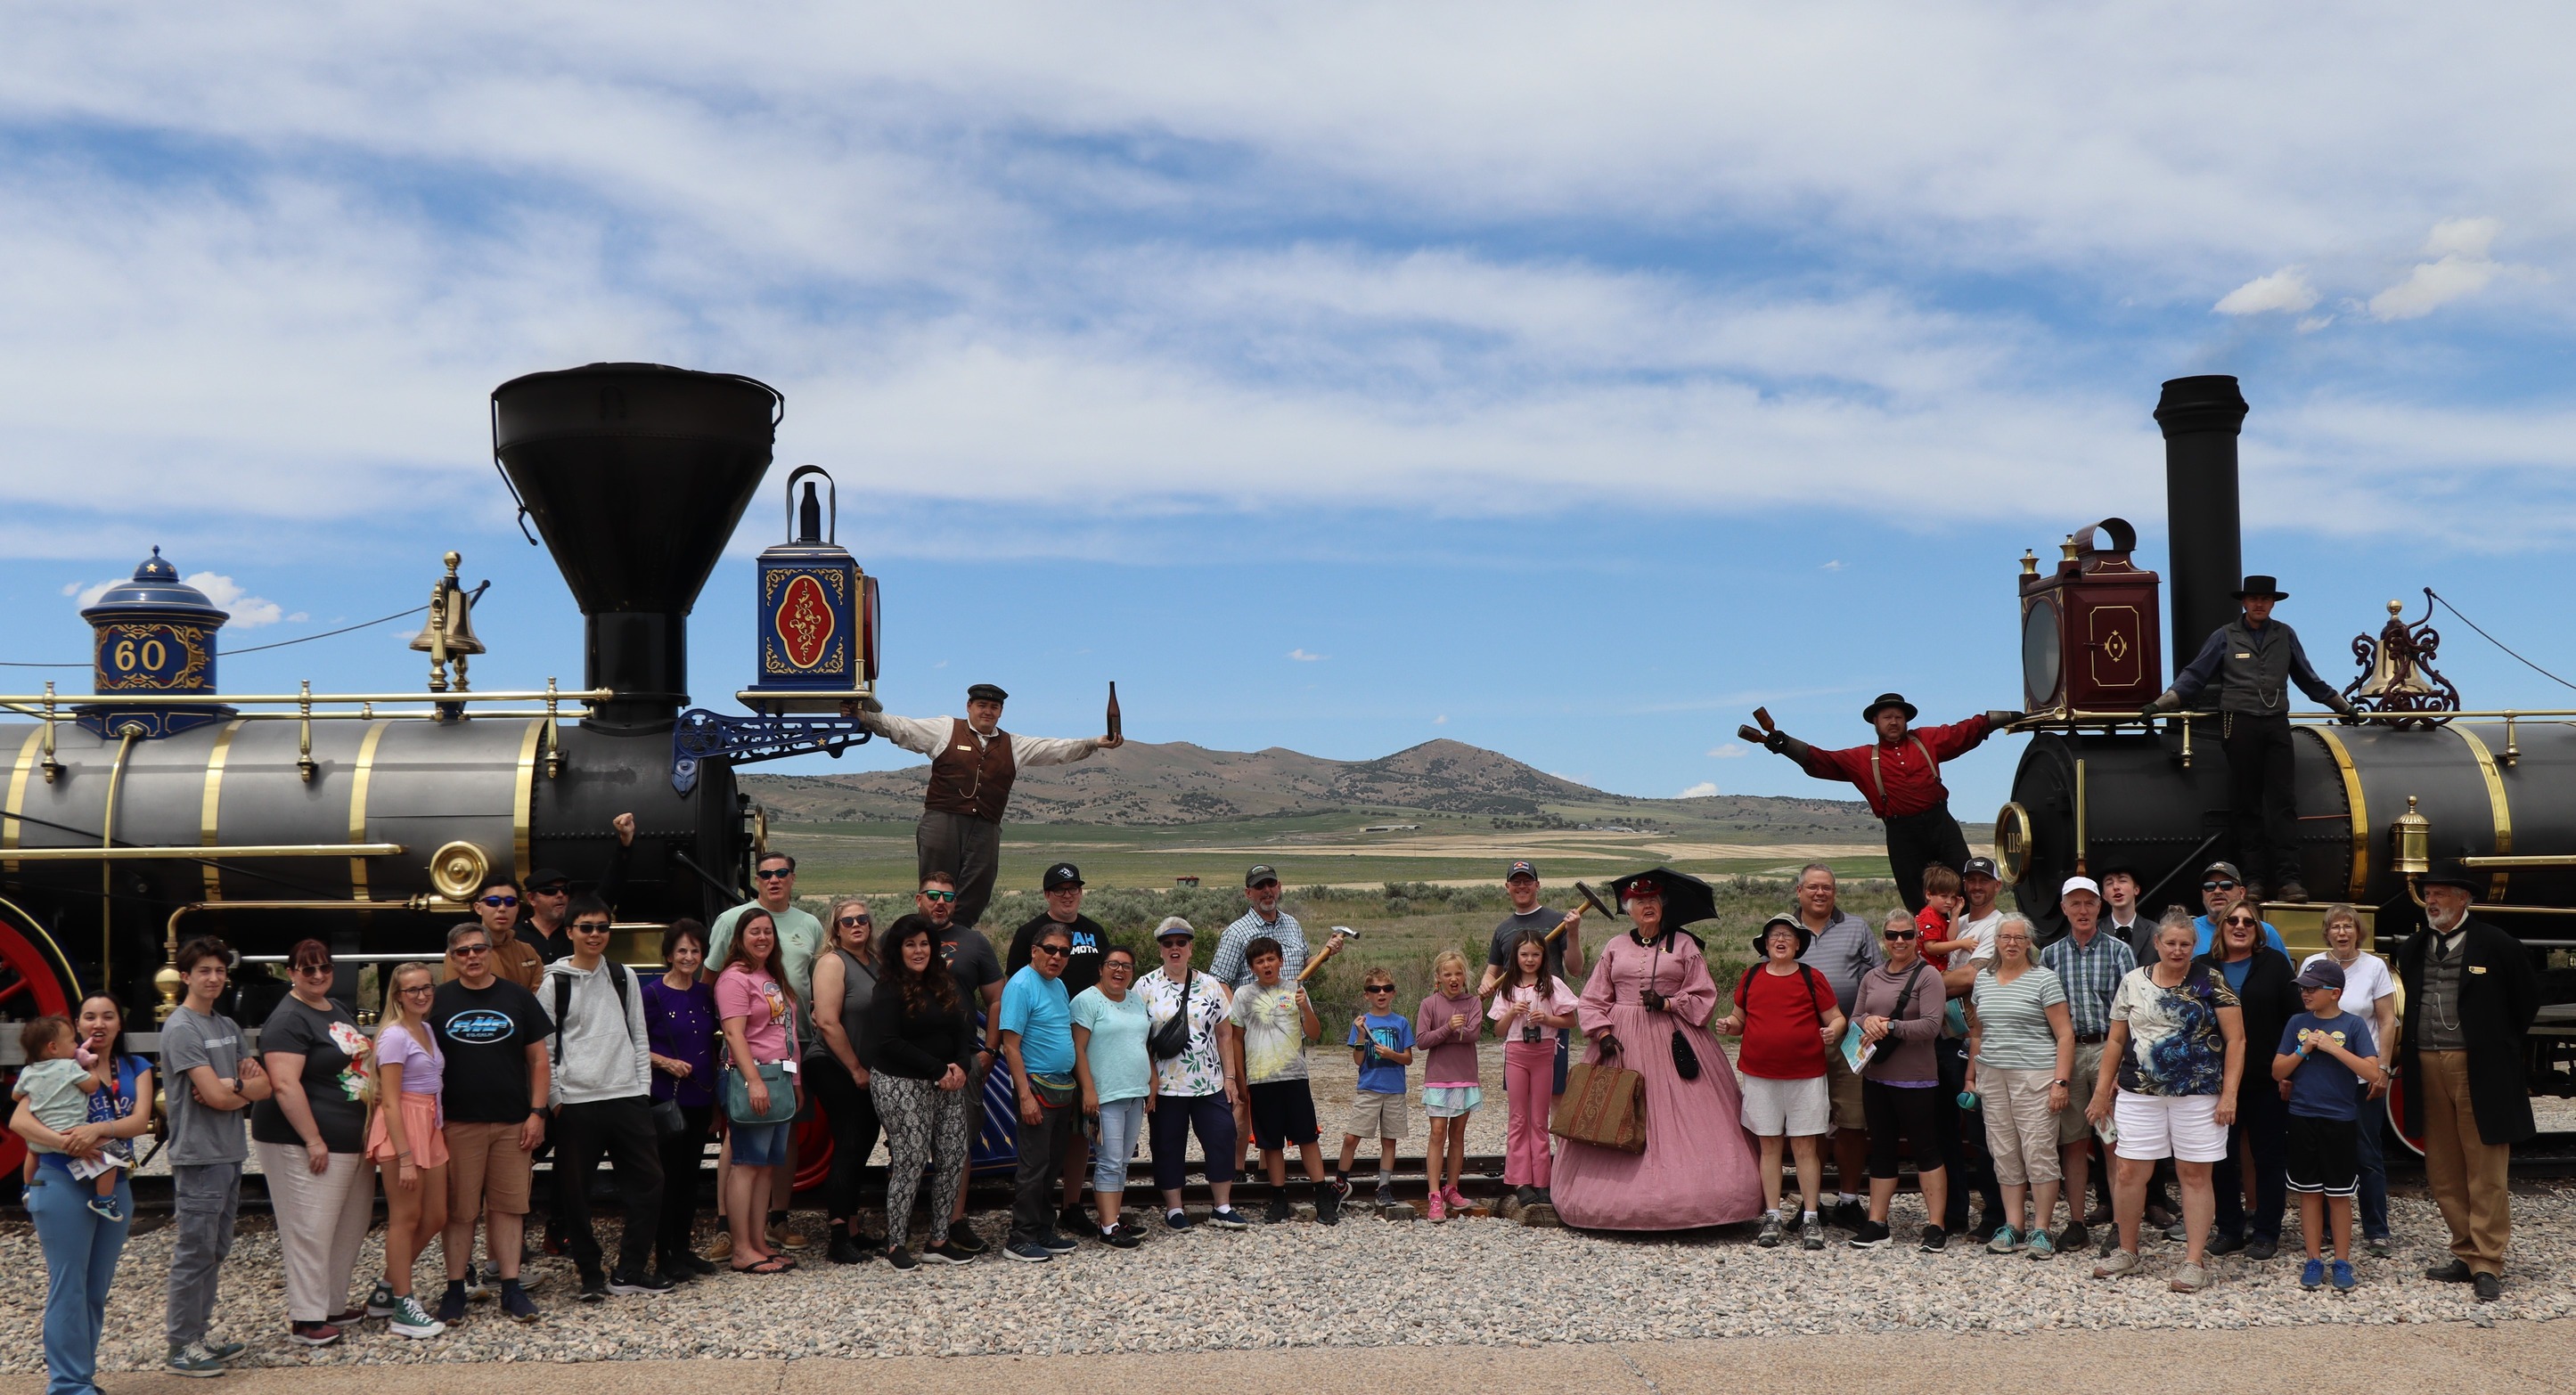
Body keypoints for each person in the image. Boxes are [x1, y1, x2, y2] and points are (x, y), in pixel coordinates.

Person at [1553, 873, 1763, 1232]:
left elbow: (1703, 997)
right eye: (1639, 902)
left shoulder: (1683, 945)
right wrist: (1602, 1032)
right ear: (1629, 909)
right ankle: (1607, 1201)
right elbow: (1592, 998)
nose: (1647, 907)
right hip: (1620, 1043)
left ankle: (1699, 1198)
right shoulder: (1615, 946)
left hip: (1675, 1039)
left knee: (1692, 1114)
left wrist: (1668, 1002)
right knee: (1613, 1109)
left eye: (1653, 900)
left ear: (1662, 906)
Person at [2146, 574, 2360, 902]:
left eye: (2265, 599)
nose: (2259, 604)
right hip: (2239, 724)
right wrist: (2160, 705)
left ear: (2273, 603)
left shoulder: (2285, 635)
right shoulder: (2224, 637)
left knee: (2284, 802)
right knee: (2247, 804)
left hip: (2276, 723)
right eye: (2254, 599)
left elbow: (2308, 678)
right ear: (2244, 602)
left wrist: (2345, 708)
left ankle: (2290, 880)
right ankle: (2255, 879)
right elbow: (2194, 676)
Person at [857, 682, 1124, 929]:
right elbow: (902, 728)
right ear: (969, 707)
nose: (988, 711)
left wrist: (1094, 743)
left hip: (986, 826)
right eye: (982, 705)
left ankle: (957, 937)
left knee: (979, 886)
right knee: (936, 886)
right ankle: (927, 935)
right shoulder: (945, 729)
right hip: (943, 820)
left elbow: (1055, 749)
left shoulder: (1014, 745)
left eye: (994, 707)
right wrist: (867, 718)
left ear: (1001, 712)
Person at [2399, 863, 2540, 1303]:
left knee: (2485, 1165)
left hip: (2478, 1065)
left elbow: (2526, 1002)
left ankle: (2488, 1260)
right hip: (2426, 1062)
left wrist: (2495, 1045)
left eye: (2441, 893)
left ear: (2464, 899)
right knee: (2442, 1165)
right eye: (2428, 894)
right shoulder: (2415, 946)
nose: (2432, 901)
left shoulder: (2498, 944)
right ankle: (2464, 1250)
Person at [2089, 910, 2245, 1293]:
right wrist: (2101, 1090)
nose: (2177, 950)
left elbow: (2237, 1041)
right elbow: (2115, 1041)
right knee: (2128, 1173)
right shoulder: (2131, 982)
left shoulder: (2211, 981)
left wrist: (2229, 1094)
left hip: (2198, 1095)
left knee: (2194, 1176)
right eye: (2170, 943)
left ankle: (2194, 1261)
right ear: (2157, 944)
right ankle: (2127, 1249)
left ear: (2195, 946)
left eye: (2185, 944)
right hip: (2139, 1095)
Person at [1747, 693, 2017, 913]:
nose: (1893, 722)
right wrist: (1785, 745)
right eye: (1887, 717)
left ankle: (1977, 928)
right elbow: (1822, 760)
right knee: (1914, 893)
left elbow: (1963, 732)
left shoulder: (1926, 740)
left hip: (1940, 823)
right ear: (1875, 722)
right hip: (1902, 833)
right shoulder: (1863, 758)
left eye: (1898, 717)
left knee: (1966, 877)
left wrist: (2001, 719)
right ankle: (1928, 941)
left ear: (1906, 721)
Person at [13, 994, 151, 1395]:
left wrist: (97, 1131)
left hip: (115, 1185)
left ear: (119, 1025)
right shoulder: (53, 1066)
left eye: (108, 1015)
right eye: (89, 1016)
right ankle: (67, 1385)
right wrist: (66, 1141)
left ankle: (81, 1378)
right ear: (76, 1026)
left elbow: (140, 1121)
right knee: (67, 1284)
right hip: (60, 1182)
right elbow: (20, 1119)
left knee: (94, 1290)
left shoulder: (135, 1067)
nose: (99, 1023)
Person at [541, 895, 669, 1301]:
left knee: (650, 1182)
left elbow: (638, 1033)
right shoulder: (554, 983)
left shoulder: (623, 976)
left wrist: (642, 1087)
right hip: (576, 1102)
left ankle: (629, 1268)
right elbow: (543, 1050)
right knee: (575, 1193)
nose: (595, 935)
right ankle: (590, 1272)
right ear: (570, 932)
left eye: (602, 927)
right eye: (587, 927)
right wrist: (557, 1100)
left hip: (626, 1095)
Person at [251, 940, 375, 1345]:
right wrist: (313, 1139)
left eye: (324, 968)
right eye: (308, 970)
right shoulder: (287, 1019)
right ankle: (306, 1318)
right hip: (303, 1141)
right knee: (311, 1228)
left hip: (348, 1139)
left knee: (348, 1225)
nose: (318, 975)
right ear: (291, 973)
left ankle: (332, 1304)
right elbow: (285, 1084)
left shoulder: (333, 1007)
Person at [428, 919, 550, 1324]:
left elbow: (538, 1060)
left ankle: (512, 1290)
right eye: (462, 952)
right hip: (458, 1124)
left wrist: (537, 1112)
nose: (472, 957)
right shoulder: (437, 1002)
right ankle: (455, 1290)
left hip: (513, 1123)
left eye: (478, 949)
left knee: (509, 1208)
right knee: (460, 1211)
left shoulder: (517, 998)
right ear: (452, 958)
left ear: (490, 951)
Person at [159, 935, 270, 1375]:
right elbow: (211, 1094)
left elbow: (261, 1089)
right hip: (200, 1155)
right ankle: (180, 1346)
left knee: (216, 1248)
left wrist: (234, 1089)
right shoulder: (183, 1028)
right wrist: (233, 1090)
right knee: (195, 1250)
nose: (213, 978)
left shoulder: (226, 1027)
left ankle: (199, 1336)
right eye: (204, 970)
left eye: (220, 971)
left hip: (228, 1152)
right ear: (185, 976)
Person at [707, 851, 827, 1256]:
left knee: (768, 1155)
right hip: (750, 1068)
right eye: (765, 874)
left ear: (793, 878)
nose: (774, 879)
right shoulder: (734, 965)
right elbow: (732, 1026)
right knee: (745, 1154)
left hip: (786, 1061)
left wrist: (793, 1078)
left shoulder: (792, 947)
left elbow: (798, 1011)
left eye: (782, 873)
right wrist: (752, 1077)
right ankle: (737, 1239)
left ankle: (764, 1234)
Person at [1713, 914, 1845, 1250]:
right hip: (1760, 1074)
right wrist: (1729, 1024)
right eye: (1774, 936)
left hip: (1807, 1075)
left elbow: (1837, 1017)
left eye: (1787, 935)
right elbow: (1740, 1018)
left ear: (1798, 944)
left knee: (1804, 1146)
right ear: (1766, 944)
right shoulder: (1752, 975)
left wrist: (1835, 1031)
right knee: (1769, 1145)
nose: (1781, 940)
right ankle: (1772, 1215)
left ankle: (1811, 1218)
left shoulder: (1811, 977)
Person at [866, 914, 981, 1270]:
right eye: (910, 944)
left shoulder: (942, 982)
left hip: (947, 1080)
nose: (918, 950)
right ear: (897, 949)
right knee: (912, 1158)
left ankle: (938, 1240)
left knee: (952, 1156)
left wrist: (962, 1064)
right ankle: (896, 1243)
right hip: (901, 1082)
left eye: (924, 943)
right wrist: (938, 1070)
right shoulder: (887, 988)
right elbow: (888, 1043)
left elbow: (963, 1030)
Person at [1965, 914, 2074, 1259]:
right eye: (2005, 937)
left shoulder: (2045, 980)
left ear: (2029, 943)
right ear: (1995, 942)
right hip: (1993, 1077)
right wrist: (1972, 1076)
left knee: (2038, 1150)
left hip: (2036, 1076)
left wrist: (2060, 1082)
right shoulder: (1982, 980)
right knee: (2004, 1151)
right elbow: (1979, 1034)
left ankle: (2042, 1229)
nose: (2011, 943)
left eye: (2019, 937)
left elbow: (2065, 1035)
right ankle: (2014, 1226)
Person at [1005, 862, 1107, 1230]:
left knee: (1073, 1135)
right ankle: (1028, 1228)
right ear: (1047, 894)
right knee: (1038, 1152)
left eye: (1074, 888)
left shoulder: (1093, 934)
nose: (1068, 894)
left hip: (1083, 1054)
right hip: (1040, 1064)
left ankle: (1068, 1208)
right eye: (1059, 888)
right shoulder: (1027, 941)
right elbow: (1012, 1007)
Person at [2272, 959, 2382, 1293]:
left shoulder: (2354, 1026)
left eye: (2312, 988)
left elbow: (2373, 1073)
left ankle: (2343, 1261)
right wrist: (2304, 1050)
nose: (2305, 993)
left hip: (2340, 1120)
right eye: (2303, 988)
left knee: (2338, 1194)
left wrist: (2335, 1049)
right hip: (2303, 1117)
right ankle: (2313, 1259)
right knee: (2309, 1192)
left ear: (2334, 993)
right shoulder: (2296, 1023)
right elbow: (2278, 1071)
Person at [2197, 902, 2298, 1260]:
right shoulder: (2203, 968)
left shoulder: (2274, 964)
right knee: (2220, 1159)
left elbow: (2294, 1020)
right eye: (2233, 921)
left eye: (2248, 922)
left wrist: (2290, 1073)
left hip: (2265, 1079)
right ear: (2221, 926)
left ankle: (2268, 1232)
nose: (2240, 926)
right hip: (2215, 1082)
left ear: (2258, 930)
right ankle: (2229, 1229)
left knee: (2269, 1157)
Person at [2039, 876, 2134, 1251]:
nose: (2082, 910)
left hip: (2107, 1049)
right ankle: (2077, 1221)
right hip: (2068, 1054)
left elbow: (2129, 1012)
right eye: (2074, 903)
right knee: (2073, 1141)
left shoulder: (2118, 952)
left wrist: (2119, 1068)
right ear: (2064, 908)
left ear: (2100, 907)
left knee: (2112, 1140)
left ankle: (2118, 1222)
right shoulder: (2049, 956)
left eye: (2089, 903)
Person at [1845, 910, 1949, 1251]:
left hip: (1915, 1079)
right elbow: (1856, 1016)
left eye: (1906, 934)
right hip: (1876, 1076)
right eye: (1892, 935)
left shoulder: (1928, 976)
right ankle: (1877, 1222)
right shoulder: (1872, 976)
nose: (1899, 941)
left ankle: (1936, 1225)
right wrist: (1870, 1021)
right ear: (1883, 938)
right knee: (1882, 1148)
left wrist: (1889, 1027)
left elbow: (1932, 1025)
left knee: (1926, 1148)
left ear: (1917, 936)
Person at [1140, 916, 1251, 1230]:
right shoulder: (1145, 986)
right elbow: (1140, 1036)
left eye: (1181, 943)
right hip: (1165, 1083)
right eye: (1168, 943)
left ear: (1191, 948)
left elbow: (1225, 1034)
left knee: (1221, 1136)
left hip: (1210, 1081)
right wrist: (1149, 1078)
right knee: (1167, 1143)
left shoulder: (1211, 985)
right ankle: (1174, 1209)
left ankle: (1222, 1206)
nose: (1175, 949)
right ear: (1160, 949)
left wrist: (1229, 1078)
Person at [2302, 903, 2398, 1256]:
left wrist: (2383, 1068)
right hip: (2322, 1079)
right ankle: (2326, 1230)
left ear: (2359, 931)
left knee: (2367, 1154)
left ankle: (2376, 1230)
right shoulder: (2312, 964)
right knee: (2324, 1155)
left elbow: (2387, 1020)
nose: (2342, 932)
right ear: (2326, 933)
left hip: (2361, 1078)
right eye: (2335, 927)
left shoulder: (2375, 967)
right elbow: (2305, 1016)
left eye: (2348, 926)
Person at [1792, 863, 1883, 1228]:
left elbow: (1876, 977)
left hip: (1849, 1040)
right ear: (1799, 891)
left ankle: (1848, 1200)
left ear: (1835, 892)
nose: (1820, 893)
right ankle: (1810, 1203)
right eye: (1812, 887)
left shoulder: (1856, 927)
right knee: (1807, 1124)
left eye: (1826, 887)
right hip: (1801, 1040)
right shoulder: (1783, 929)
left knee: (1852, 1121)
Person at [364, 961, 450, 1340]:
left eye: (427, 988)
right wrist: (403, 1157)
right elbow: (390, 1101)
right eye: (412, 990)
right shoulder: (395, 1036)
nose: (421, 995)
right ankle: (403, 1303)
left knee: (435, 1216)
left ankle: (386, 1289)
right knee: (406, 1218)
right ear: (397, 996)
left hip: (430, 1124)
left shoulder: (427, 1028)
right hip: (404, 1127)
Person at [716, 910, 804, 1274]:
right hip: (752, 1078)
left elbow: (788, 1034)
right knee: (746, 1164)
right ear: (740, 937)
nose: (763, 937)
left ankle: (757, 1242)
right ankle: (740, 1250)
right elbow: (735, 1034)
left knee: (766, 1167)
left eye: (768, 931)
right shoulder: (734, 979)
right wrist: (753, 1080)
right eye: (755, 932)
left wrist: (795, 1082)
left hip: (779, 1079)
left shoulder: (771, 975)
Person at [1228, 936, 1337, 1226]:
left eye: (1270, 959)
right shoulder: (1242, 995)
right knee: (1270, 1143)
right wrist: (1240, 1079)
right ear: (1252, 967)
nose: (1266, 965)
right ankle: (1279, 1199)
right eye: (1260, 961)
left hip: (1294, 1077)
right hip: (1261, 1079)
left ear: (1281, 960)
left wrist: (1306, 1008)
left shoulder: (1296, 988)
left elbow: (1314, 1033)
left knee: (1307, 1138)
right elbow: (1236, 1040)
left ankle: (1322, 1197)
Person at [922, 870, 1004, 1256]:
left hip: (962, 1058)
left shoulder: (974, 942)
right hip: (912, 1061)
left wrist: (989, 1050)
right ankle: (912, 1220)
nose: (940, 902)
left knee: (958, 1145)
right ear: (919, 899)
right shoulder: (899, 937)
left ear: (956, 903)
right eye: (933, 895)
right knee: (909, 1144)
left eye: (948, 897)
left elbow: (997, 999)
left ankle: (954, 1220)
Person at [1001, 921, 1086, 1260]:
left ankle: (1042, 1230)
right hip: (1036, 1088)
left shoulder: (1057, 985)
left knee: (1051, 1164)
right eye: (1050, 949)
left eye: (1064, 952)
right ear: (1034, 950)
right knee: (1034, 1166)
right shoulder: (1021, 985)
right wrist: (1024, 1096)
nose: (1056, 957)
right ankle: (1019, 1238)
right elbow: (1011, 1046)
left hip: (1061, 1089)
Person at [1211, 863, 1305, 1170]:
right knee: (1243, 1101)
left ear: (1279, 887)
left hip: (1289, 1036)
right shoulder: (1237, 933)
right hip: (1252, 1036)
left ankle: (1268, 1172)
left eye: (1271, 884)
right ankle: (1236, 1169)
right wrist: (1243, 1016)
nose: (1267, 891)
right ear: (1248, 893)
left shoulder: (1292, 925)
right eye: (1259, 886)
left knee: (1274, 1105)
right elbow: (1219, 979)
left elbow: (1298, 972)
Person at [641, 920, 720, 1282]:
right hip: (665, 1099)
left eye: (695, 951)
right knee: (667, 1179)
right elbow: (633, 1045)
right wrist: (665, 1062)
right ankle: (664, 1254)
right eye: (682, 951)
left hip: (700, 1096)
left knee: (691, 1178)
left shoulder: (706, 993)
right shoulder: (652, 994)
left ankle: (684, 1249)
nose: (689, 957)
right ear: (669, 954)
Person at [1934, 856, 2008, 1238]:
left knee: (1982, 1133)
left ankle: (1996, 1215)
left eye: (1984, 880)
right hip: (1945, 1036)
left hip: (1976, 1040)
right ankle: (1954, 1213)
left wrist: (1917, 984)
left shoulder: (1999, 926)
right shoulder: (1958, 924)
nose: (1976, 886)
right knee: (1946, 1130)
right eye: (1971, 880)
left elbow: (1968, 976)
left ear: (1998, 886)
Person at [808, 895, 884, 1265]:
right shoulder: (832, 963)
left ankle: (852, 1229)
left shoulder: (877, 962)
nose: (856, 925)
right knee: (850, 1141)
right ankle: (838, 1237)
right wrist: (855, 1069)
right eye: (847, 921)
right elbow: (826, 1020)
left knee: (864, 1142)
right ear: (835, 929)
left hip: (867, 1071)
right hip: (834, 1065)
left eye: (862, 919)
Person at [1488, 932, 1579, 1211]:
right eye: (1524, 954)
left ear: (1544, 957)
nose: (1530, 960)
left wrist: (1547, 1018)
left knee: (1539, 1120)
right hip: (1516, 1054)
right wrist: (1512, 1013)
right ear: (1515, 956)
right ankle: (1519, 1181)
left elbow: (1570, 1020)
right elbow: (1498, 1031)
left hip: (1544, 1054)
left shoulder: (1552, 985)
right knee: (1518, 1118)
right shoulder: (1508, 987)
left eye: (1535, 955)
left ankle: (1542, 1181)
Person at [1071, 944, 1155, 1247]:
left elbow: (1144, 1044)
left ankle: (1115, 1220)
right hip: (1105, 1094)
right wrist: (1089, 1090)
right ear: (1101, 968)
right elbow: (1078, 1048)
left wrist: (1151, 1082)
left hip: (1134, 1092)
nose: (1119, 971)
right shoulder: (1087, 1001)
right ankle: (1107, 1227)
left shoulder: (1135, 1000)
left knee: (1121, 1162)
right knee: (1108, 1160)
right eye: (1113, 964)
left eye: (1126, 966)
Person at [14, 1018, 119, 1217]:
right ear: (53, 1047)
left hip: (41, 1139)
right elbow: (92, 1086)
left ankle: (28, 1188)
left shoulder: (28, 1071)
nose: (76, 1045)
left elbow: (16, 1095)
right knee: (112, 1153)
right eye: (72, 1041)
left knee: (32, 1152)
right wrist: (90, 1068)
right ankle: (104, 1200)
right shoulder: (70, 1067)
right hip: (73, 1134)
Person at [1340, 966, 1419, 1209]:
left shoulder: (1401, 1022)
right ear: (1367, 995)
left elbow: (1407, 1059)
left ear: (1393, 993)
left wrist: (1392, 1054)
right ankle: (1340, 1183)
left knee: (1389, 1140)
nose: (1381, 993)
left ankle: (1383, 1187)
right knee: (1352, 1137)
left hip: (1394, 1090)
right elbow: (1358, 1061)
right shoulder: (1362, 1022)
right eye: (1375, 989)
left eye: (1387, 989)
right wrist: (1362, 1036)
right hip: (1369, 1088)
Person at [462, 877, 546, 991]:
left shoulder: (527, 952)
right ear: (478, 908)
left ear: (517, 908)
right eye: (493, 902)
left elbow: (540, 999)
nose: (502, 908)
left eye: (510, 902)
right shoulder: (462, 952)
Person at [2188, 861, 2286, 957]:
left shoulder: (2266, 932)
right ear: (2203, 894)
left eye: (2226, 885)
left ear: (2242, 892)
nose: (2217, 891)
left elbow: (2282, 971)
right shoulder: (2188, 930)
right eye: (2209, 886)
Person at [2098, 867, 2153, 965]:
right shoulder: (2094, 931)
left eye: (2122, 880)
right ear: (2104, 895)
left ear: (2136, 889)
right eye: (2109, 883)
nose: (2116, 887)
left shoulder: (2155, 932)